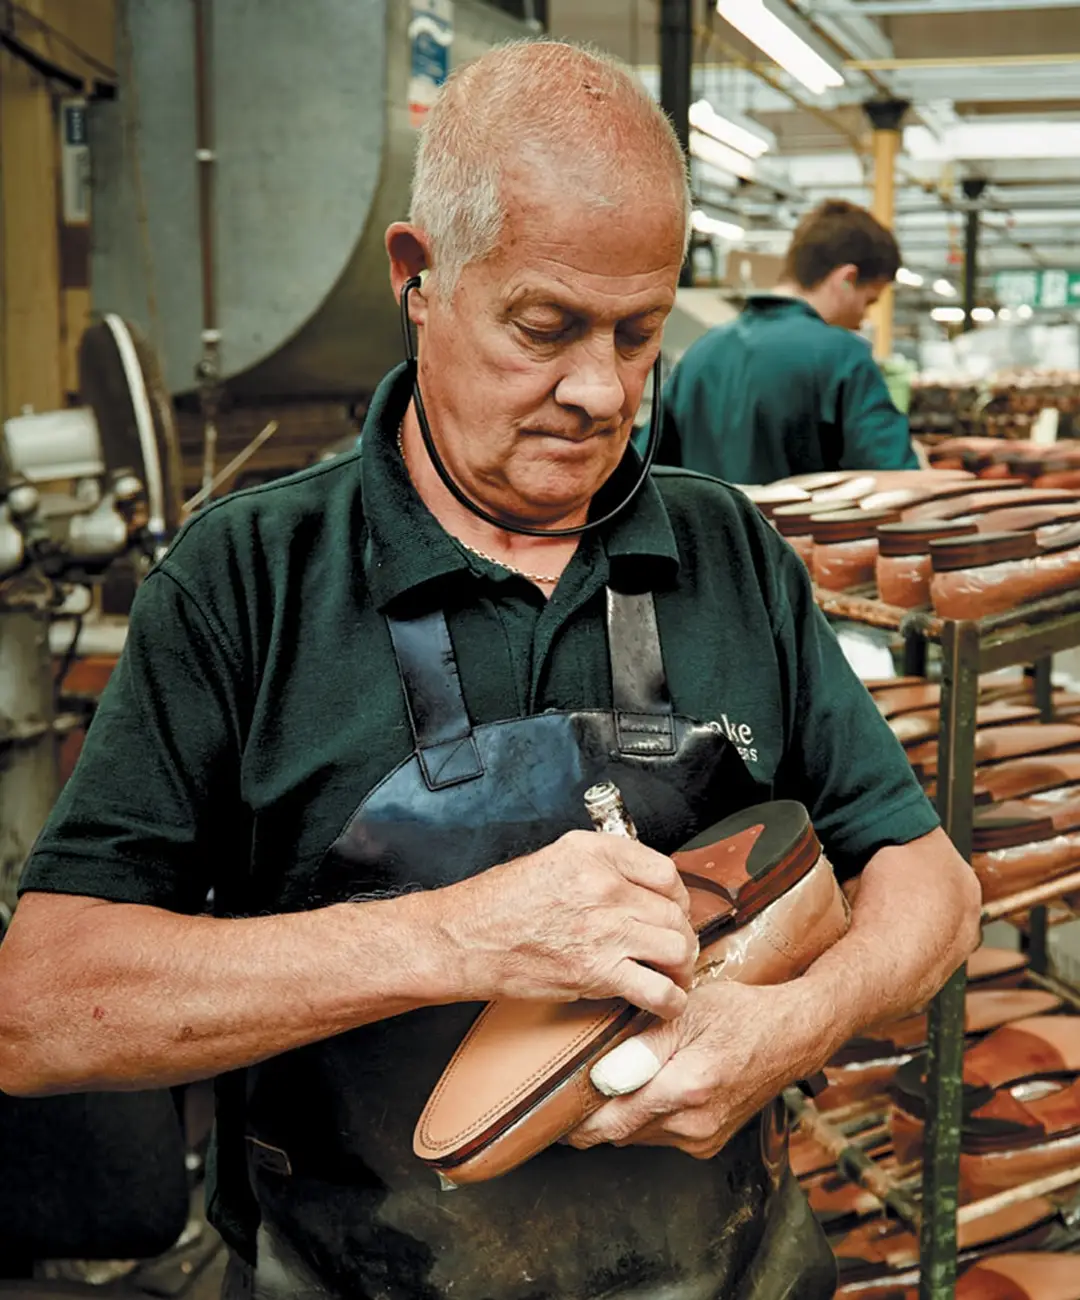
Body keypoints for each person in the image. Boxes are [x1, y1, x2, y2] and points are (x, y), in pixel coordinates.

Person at [0, 41, 979, 1300]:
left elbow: (934, 886)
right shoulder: (247, 578)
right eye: (545, 326)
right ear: (420, 277)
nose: (598, 388)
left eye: (638, 334)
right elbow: (41, 1005)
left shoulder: (729, 548)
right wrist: (458, 937)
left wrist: (789, 1025)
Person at [658, 199, 920, 483]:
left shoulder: (700, 353)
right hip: (803, 530)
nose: (862, 319)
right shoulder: (844, 357)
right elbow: (898, 480)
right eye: (869, 301)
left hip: (705, 529)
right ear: (847, 278)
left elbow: (649, 473)